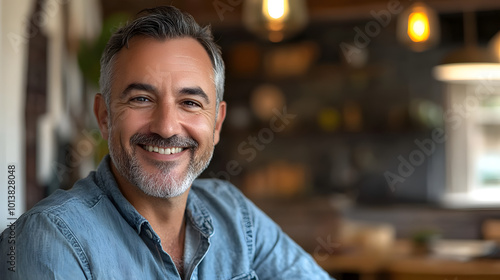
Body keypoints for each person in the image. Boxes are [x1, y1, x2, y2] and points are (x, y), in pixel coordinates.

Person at [0, 6, 332, 279]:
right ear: (104, 116)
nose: (166, 127)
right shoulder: (49, 240)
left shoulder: (234, 214)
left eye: (190, 102)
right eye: (142, 99)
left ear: (216, 122)